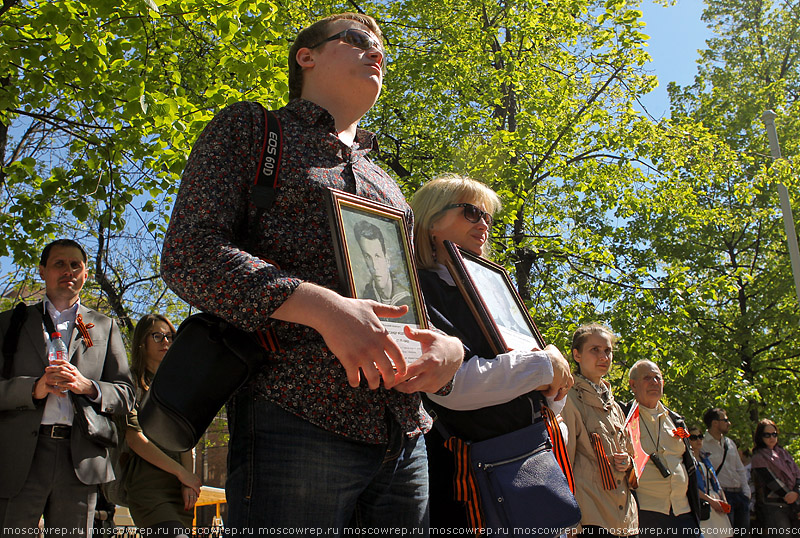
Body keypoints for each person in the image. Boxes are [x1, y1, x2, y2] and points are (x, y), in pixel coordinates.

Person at [160, 12, 464, 534]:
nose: (378, 53)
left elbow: (409, 301)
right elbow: (189, 254)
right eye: (359, 40)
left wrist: (449, 348)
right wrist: (322, 308)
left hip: (405, 436)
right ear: (308, 56)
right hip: (294, 417)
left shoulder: (388, 185)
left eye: (383, 48)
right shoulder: (252, 130)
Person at [409, 174, 574, 530]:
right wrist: (545, 365)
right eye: (471, 212)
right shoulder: (419, 288)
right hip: (472, 475)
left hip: (532, 459)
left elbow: (538, 380)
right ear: (432, 221)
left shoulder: (495, 292)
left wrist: (553, 383)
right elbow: (452, 385)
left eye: (487, 216)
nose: (484, 223)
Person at [0, 239, 135, 536]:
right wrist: (34, 388)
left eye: (76, 265)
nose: (68, 271)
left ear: (85, 275)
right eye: (59, 263)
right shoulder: (10, 324)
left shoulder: (104, 325)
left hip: (80, 459)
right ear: (42, 271)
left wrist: (88, 386)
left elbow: (126, 394)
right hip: (21, 457)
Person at [124, 314, 202, 537]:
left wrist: (189, 480)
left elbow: (187, 439)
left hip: (179, 488)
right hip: (147, 482)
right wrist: (182, 473)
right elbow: (134, 438)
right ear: (142, 341)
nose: (166, 342)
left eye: (170, 336)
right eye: (157, 336)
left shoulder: (179, 384)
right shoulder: (130, 382)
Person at [560, 324, 638, 537]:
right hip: (591, 519)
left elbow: (633, 456)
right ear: (577, 354)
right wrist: (570, 522)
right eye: (595, 350)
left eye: (608, 351)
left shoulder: (614, 405)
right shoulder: (568, 399)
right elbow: (563, 461)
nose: (604, 356)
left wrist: (629, 464)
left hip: (627, 521)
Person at [624, 360, 702, 536]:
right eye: (647, 378)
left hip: (684, 512)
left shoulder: (676, 420)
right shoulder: (623, 417)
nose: (654, 382)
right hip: (646, 513)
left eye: (657, 378)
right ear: (633, 385)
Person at [702, 408, 752, 536]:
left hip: (739, 495)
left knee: (743, 534)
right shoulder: (702, 444)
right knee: (726, 534)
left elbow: (740, 468)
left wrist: (746, 493)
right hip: (722, 496)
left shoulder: (730, 443)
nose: (729, 423)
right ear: (715, 423)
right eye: (725, 420)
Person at [353, 219, 415, 320]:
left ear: (387, 259)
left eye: (377, 256)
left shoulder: (408, 299)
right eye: (368, 257)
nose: (374, 266)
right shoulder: (365, 296)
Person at [751, 419, 800, 532]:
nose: (771, 438)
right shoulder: (758, 458)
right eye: (767, 435)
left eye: (774, 434)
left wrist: (796, 493)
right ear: (760, 436)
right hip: (774, 506)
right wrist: (790, 495)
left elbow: (797, 474)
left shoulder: (784, 453)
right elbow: (771, 481)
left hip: (794, 504)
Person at [688, 426, 733, 538]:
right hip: (702, 504)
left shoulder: (705, 457)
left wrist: (723, 500)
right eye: (693, 437)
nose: (698, 440)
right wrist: (711, 501)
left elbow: (715, 481)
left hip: (716, 502)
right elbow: (690, 487)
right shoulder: (687, 461)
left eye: (700, 436)